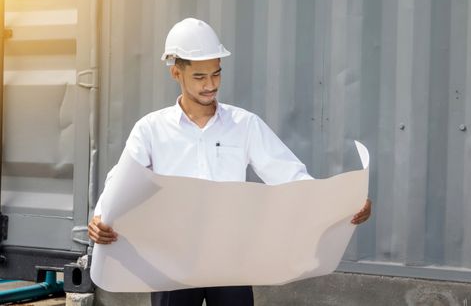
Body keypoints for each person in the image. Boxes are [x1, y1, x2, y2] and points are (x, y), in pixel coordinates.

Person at [88, 17, 372, 306]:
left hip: (231, 259)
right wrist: (101, 217)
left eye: (216, 74)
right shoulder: (151, 129)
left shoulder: (244, 125)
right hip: (173, 260)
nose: (211, 85)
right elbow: (120, 180)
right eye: (199, 77)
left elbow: (290, 177)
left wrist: (341, 204)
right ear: (176, 73)